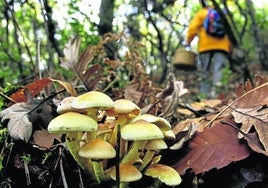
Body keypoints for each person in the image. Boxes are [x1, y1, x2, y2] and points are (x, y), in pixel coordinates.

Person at [186, 4, 232, 98]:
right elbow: (230, 31)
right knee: (219, 70)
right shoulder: (223, 13)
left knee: (204, 72)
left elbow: (193, 28)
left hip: (205, 46)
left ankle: (203, 97)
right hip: (222, 46)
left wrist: (188, 41)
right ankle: (217, 96)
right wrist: (230, 47)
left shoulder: (203, 12)